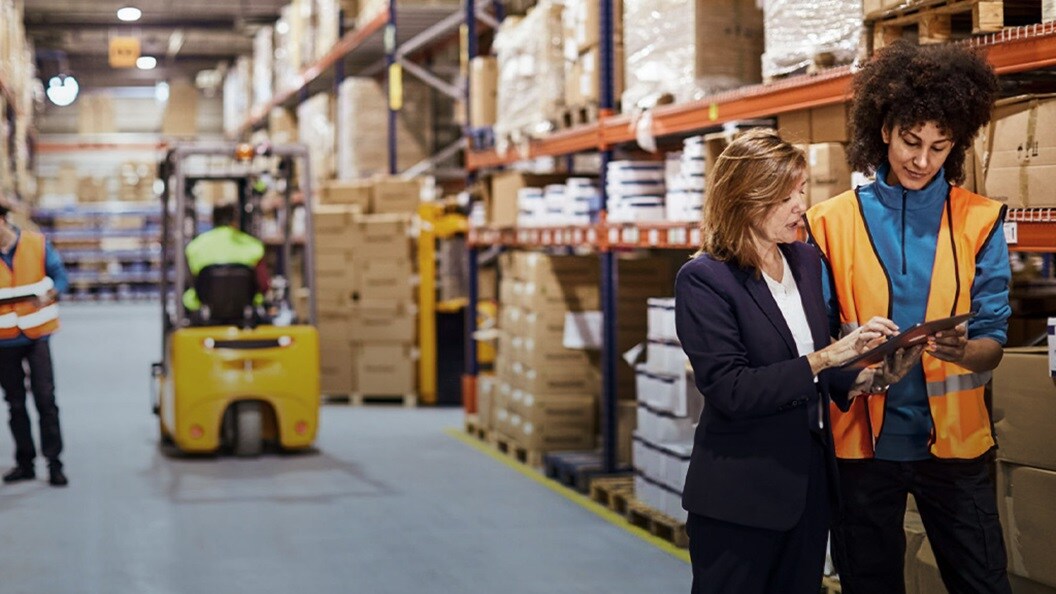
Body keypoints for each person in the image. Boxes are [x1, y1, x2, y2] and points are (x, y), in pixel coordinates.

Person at [805, 41, 1012, 594]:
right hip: (862, 448)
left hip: (956, 447)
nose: (922, 160)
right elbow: (817, 341)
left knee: (983, 583)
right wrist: (861, 366)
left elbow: (993, 338)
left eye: (940, 147)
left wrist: (963, 351)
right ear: (883, 130)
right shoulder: (827, 223)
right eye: (910, 142)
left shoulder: (980, 220)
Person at [675, 128, 899, 594]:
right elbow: (731, 390)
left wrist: (864, 377)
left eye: (801, 191)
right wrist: (825, 358)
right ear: (744, 198)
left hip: (808, 492)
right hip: (740, 498)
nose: (801, 206)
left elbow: (810, 366)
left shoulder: (805, 261)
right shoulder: (705, 279)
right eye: (785, 196)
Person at [0, 199, 69, 487]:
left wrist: (51, 294)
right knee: (15, 403)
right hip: (3, 342)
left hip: (36, 335)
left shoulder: (36, 244)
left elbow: (61, 278)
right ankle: (25, 462)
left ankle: (54, 463)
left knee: (45, 400)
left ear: (3, 221)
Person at [182, 202, 269, 313]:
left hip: (206, 311)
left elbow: (192, 282)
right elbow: (264, 286)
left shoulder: (194, 246)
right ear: (235, 220)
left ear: (213, 219)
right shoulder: (254, 246)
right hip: (245, 312)